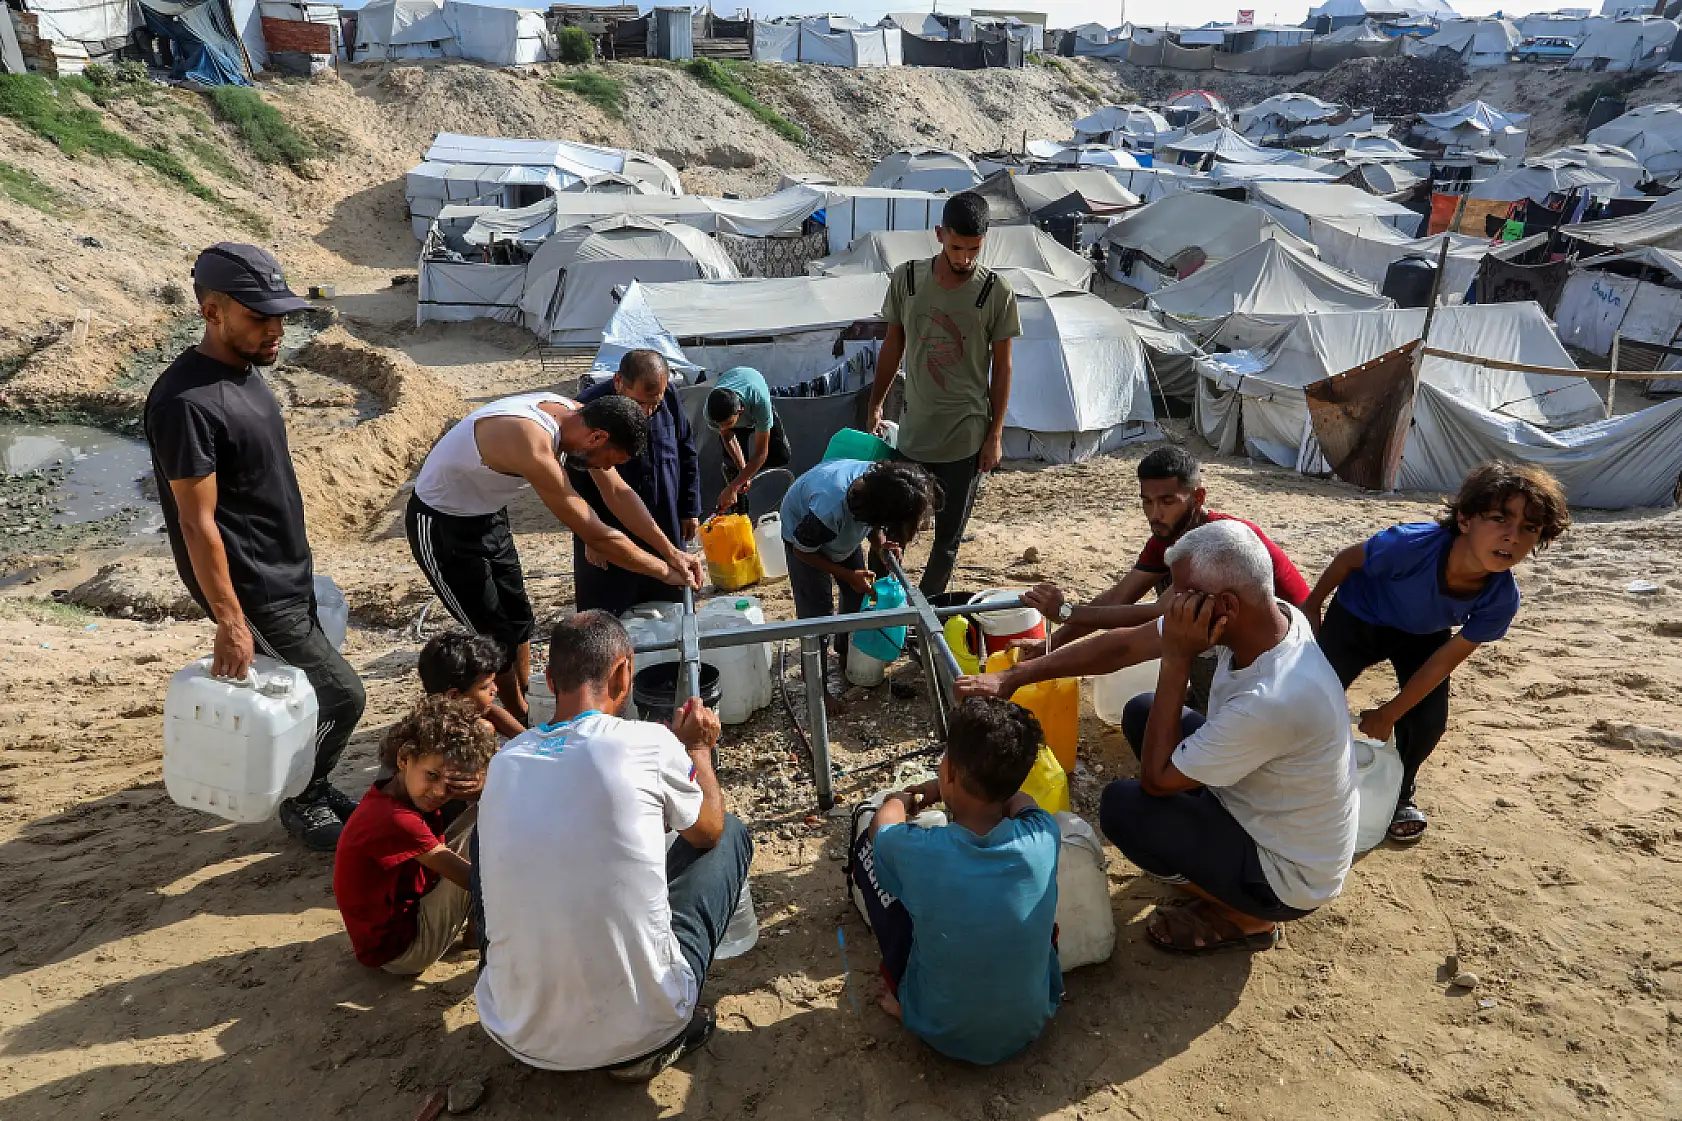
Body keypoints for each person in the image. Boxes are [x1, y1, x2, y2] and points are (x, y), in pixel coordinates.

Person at [959, 520, 1356, 954]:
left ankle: (1249, 915)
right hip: (1262, 801)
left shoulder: (1275, 697)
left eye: (1181, 596)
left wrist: (1178, 657)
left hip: (1287, 873)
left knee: (1127, 808)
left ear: (1225, 604)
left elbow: (1156, 779)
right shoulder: (1271, 616)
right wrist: (1016, 676)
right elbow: (1124, 647)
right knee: (1142, 711)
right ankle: (1219, 862)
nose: (1170, 606)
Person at [144, 243, 365, 851]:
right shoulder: (186, 403)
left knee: (311, 691)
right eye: (258, 317)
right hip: (253, 589)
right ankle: (304, 801)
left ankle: (306, 784)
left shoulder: (243, 376)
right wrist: (230, 618)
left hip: (283, 572)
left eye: (280, 318)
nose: (275, 331)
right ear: (211, 311)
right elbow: (196, 524)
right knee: (340, 695)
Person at [473, 612, 753, 1082]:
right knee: (732, 833)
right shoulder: (648, 742)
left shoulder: (505, 763)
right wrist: (699, 750)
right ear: (624, 673)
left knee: (494, 832)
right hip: (646, 1028)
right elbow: (708, 831)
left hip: (517, 1032)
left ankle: (540, 991)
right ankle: (645, 1044)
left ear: (548, 679)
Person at [1307, 461, 1569, 844]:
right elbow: (1348, 560)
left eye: (1530, 528)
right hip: (1359, 617)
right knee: (1314, 694)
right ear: (1464, 519)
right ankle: (1298, 771)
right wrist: (1313, 605)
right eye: (1499, 519)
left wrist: (1390, 713)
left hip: (1424, 634)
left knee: (1428, 720)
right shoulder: (1410, 546)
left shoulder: (1500, 599)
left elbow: (1444, 660)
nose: (1512, 536)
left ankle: (1400, 792)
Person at [406, 391, 703, 728]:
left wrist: (671, 551)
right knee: (491, 636)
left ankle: (525, 705)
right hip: (441, 523)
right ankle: (519, 722)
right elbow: (599, 535)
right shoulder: (533, 442)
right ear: (598, 437)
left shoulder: (581, 417)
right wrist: (664, 573)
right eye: (607, 460)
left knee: (519, 619)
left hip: (488, 514)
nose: (604, 468)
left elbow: (617, 493)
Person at [847, 698, 1062, 1064]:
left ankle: (907, 1008)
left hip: (941, 1030)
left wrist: (905, 796)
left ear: (951, 774)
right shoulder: (1043, 835)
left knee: (870, 859)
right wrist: (952, 787)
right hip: (1030, 1023)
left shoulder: (922, 852)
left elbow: (880, 830)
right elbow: (1022, 802)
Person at [1023, 446, 1310, 711]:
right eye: (1147, 502)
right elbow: (1120, 596)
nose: (1154, 514)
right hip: (1251, 642)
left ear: (1198, 498)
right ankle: (1203, 696)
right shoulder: (1167, 534)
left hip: (1285, 660)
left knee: (1185, 622)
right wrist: (1053, 642)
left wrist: (1066, 612)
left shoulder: (1220, 542)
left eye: (1167, 501)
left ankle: (1214, 706)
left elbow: (1157, 614)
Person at [866, 190, 1020, 597]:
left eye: (974, 249)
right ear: (939, 235)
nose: (965, 258)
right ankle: (878, 607)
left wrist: (996, 435)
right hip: (914, 432)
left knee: (946, 543)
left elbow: (1002, 368)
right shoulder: (908, 279)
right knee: (888, 530)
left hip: (966, 436)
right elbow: (892, 347)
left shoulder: (996, 293)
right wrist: (876, 402)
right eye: (956, 247)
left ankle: (927, 618)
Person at [332, 695, 495, 975]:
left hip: (397, 922)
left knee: (487, 809)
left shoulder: (393, 790)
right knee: (489, 836)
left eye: (452, 783)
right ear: (404, 758)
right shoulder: (394, 819)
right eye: (432, 776)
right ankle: (480, 934)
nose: (440, 793)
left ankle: (475, 931)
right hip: (402, 952)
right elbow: (472, 880)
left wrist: (480, 789)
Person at [571, 350, 702, 618]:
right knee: (610, 616)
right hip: (608, 527)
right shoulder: (586, 412)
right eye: (641, 403)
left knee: (671, 606)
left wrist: (690, 507)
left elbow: (685, 448)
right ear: (619, 382)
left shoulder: (668, 397)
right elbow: (575, 485)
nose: (648, 411)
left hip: (664, 519)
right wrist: (590, 534)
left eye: (655, 404)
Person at [779, 459, 942, 674]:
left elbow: (873, 521)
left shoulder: (879, 484)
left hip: (841, 534)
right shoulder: (828, 509)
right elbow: (802, 551)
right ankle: (818, 686)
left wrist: (881, 545)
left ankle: (846, 655)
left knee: (856, 599)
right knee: (818, 617)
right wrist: (847, 575)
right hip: (805, 543)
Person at [705, 366, 789, 516]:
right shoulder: (710, 413)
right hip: (733, 413)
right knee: (734, 469)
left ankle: (749, 479)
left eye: (728, 423)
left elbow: (761, 453)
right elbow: (726, 435)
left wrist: (735, 485)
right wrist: (741, 473)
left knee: (781, 455)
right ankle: (740, 512)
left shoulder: (759, 402)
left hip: (753, 394)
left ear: (740, 412)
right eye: (719, 424)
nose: (722, 427)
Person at [417, 631, 525, 740]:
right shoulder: (470, 733)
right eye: (485, 687)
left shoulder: (431, 712)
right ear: (453, 695)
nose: (495, 689)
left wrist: (525, 736)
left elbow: (491, 711)